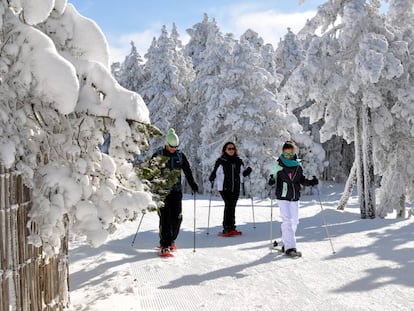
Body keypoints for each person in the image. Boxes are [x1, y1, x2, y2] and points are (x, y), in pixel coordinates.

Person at [152, 128, 198, 257]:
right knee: (165, 218)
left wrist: (193, 183)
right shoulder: (159, 154)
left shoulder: (180, 155)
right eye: (171, 146)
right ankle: (165, 245)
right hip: (162, 192)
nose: (173, 148)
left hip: (176, 191)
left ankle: (171, 240)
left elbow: (187, 170)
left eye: (176, 146)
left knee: (177, 217)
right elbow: (151, 171)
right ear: (166, 144)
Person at [268, 141, 318, 257]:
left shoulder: (297, 166)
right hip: (283, 196)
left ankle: (286, 240)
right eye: (286, 154)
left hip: (294, 196)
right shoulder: (278, 165)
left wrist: (311, 182)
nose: (288, 156)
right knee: (288, 221)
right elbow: (273, 177)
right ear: (283, 153)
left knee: (295, 221)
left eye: (291, 153)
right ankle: (290, 247)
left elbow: (301, 180)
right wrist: (271, 180)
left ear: (294, 152)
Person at [209, 142, 252, 236]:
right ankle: (226, 228)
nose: (231, 150)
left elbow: (242, 173)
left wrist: (247, 171)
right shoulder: (221, 160)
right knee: (228, 205)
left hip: (235, 187)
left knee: (232, 206)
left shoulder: (238, 161)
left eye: (233, 149)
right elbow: (215, 172)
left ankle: (232, 227)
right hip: (224, 187)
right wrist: (212, 177)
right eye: (229, 149)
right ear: (225, 150)